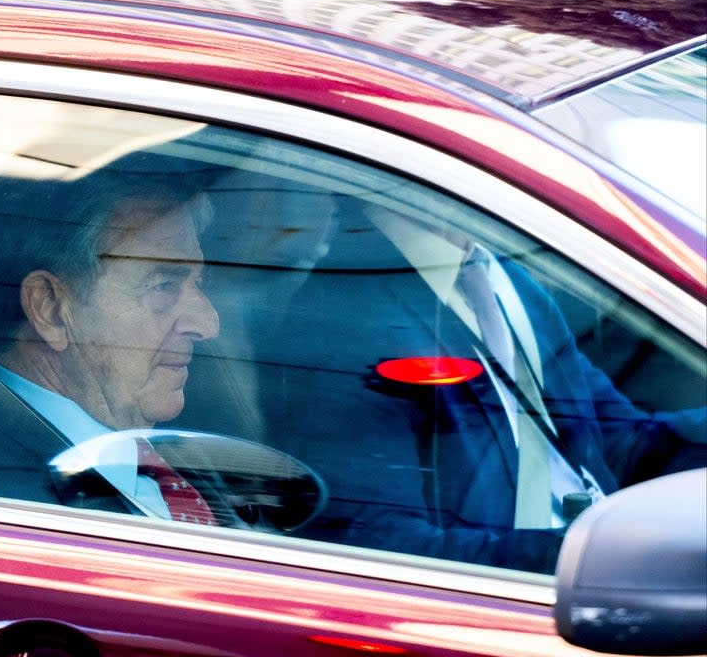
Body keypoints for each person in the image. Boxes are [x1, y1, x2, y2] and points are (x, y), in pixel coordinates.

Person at [269, 198, 707, 572]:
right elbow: (382, 547)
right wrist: (589, 554)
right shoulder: (345, 319)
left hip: (590, 543)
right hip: (522, 595)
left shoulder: (503, 275)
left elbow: (613, 439)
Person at [0, 172, 243, 526]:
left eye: (198, 283)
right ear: (51, 309)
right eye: (163, 285)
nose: (208, 324)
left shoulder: (164, 449)